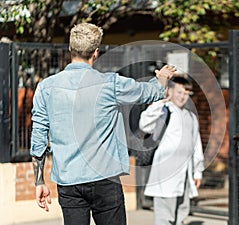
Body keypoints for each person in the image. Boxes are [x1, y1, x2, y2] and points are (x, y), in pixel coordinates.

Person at [30, 22, 176, 225]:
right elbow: (149, 93)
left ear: (70, 50)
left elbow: (38, 135)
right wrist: (161, 79)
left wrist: (39, 182)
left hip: (68, 180)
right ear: (96, 53)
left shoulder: (46, 87)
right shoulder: (111, 84)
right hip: (105, 178)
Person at [139, 76, 204, 225]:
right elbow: (145, 124)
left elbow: (196, 145)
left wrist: (197, 171)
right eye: (179, 92)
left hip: (184, 174)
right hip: (165, 175)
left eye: (186, 93)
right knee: (164, 215)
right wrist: (160, 101)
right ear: (170, 91)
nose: (183, 96)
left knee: (181, 211)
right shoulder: (163, 111)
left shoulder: (191, 117)